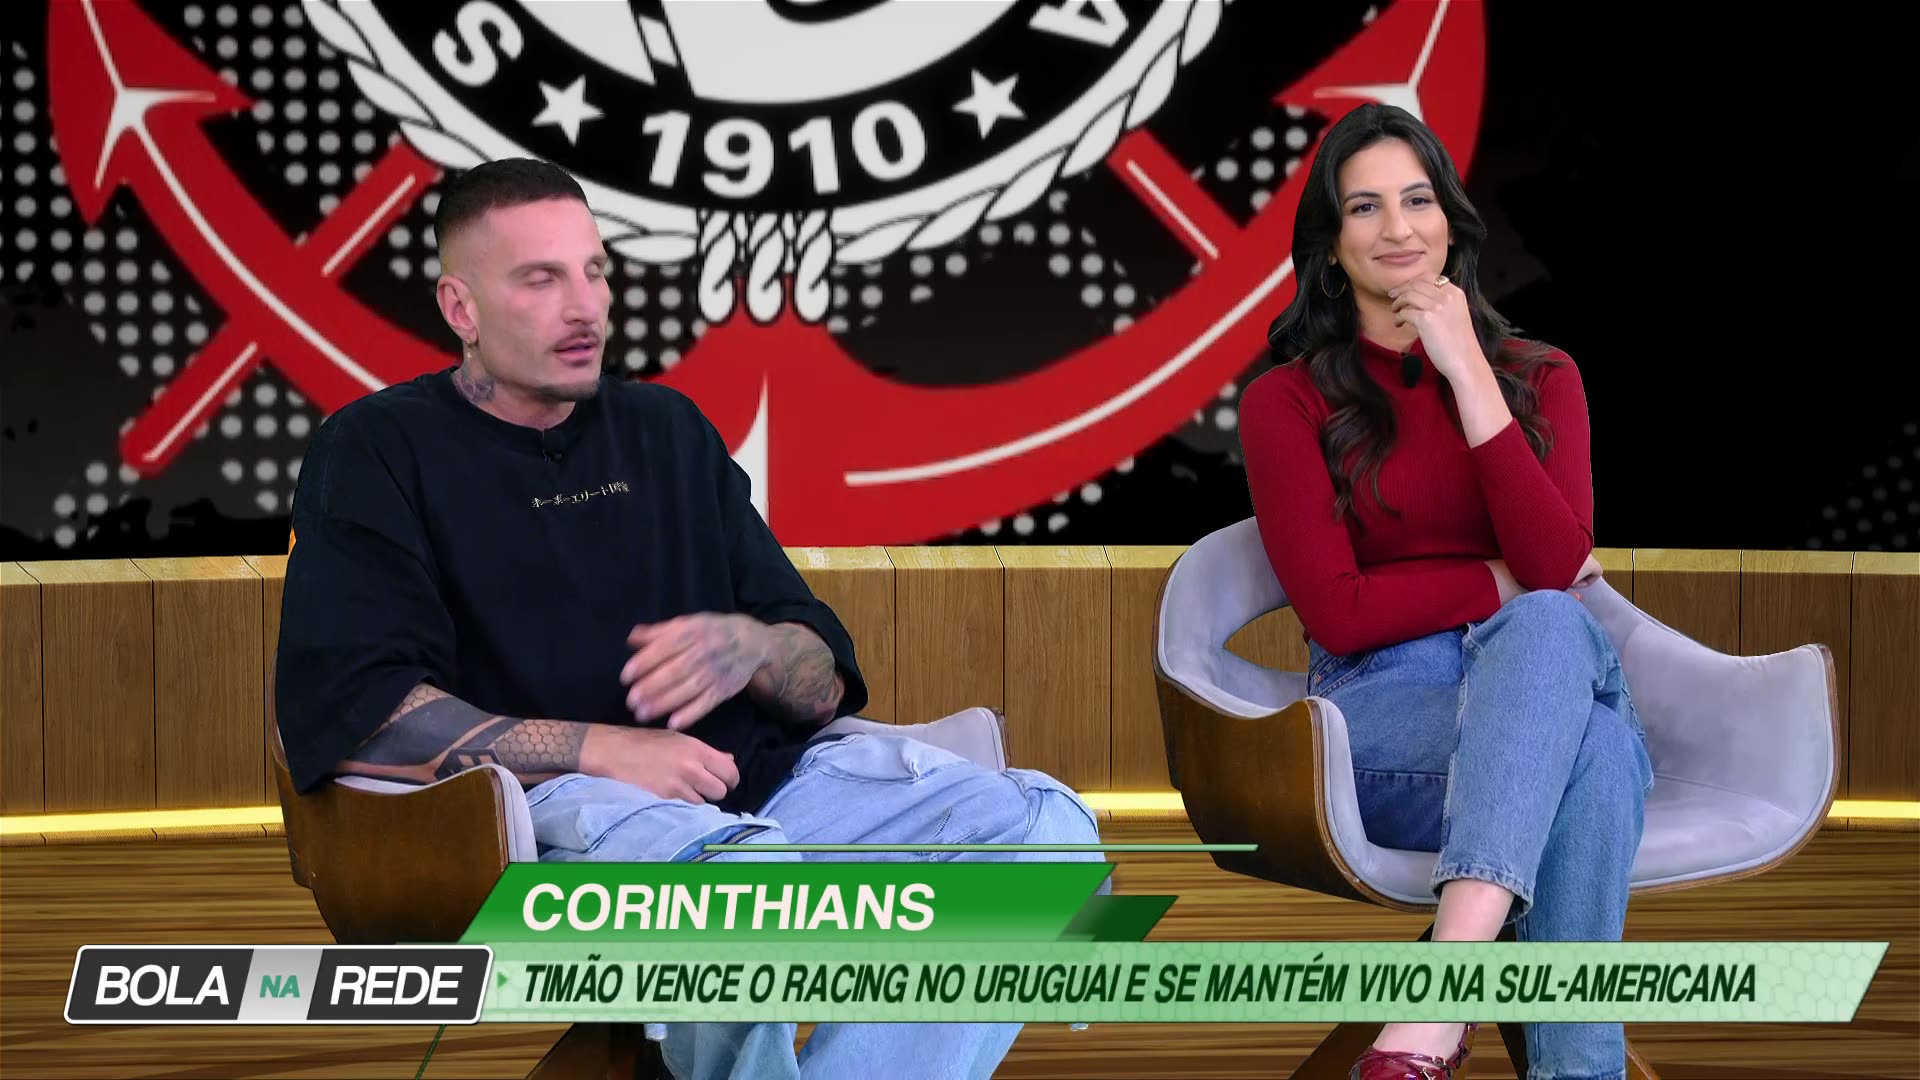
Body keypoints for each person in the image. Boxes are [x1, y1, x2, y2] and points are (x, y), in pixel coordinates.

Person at [273, 157, 1103, 1080]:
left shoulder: (667, 428)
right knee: (745, 897)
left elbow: (821, 682)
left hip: (766, 794)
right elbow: (363, 713)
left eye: (595, 270)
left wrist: (755, 647)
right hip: (538, 822)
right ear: (460, 308)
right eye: (541, 279)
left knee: (1042, 832)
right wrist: (600, 749)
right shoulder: (377, 448)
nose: (585, 307)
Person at [1237, 104, 1651, 1080]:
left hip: (1535, 691)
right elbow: (1339, 613)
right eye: (1365, 208)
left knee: (1550, 636)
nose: (1398, 228)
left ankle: (1430, 1018)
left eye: (1417, 200)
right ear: (1332, 247)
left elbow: (1552, 564)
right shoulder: (1285, 401)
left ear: (1452, 222)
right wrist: (1494, 581)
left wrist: (1467, 371)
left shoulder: (1542, 377)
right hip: (1381, 713)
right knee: (1591, 746)